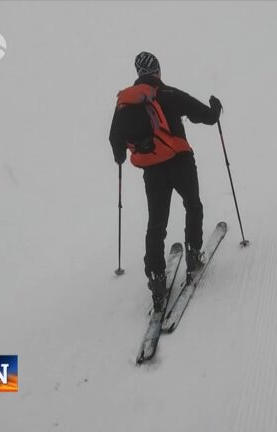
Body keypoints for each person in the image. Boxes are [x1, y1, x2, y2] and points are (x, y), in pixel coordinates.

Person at [108, 51, 222, 311]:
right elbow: (207, 116)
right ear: (158, 70)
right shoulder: (170, 95)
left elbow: (115, 142)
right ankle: (193, 254)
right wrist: (215, 106)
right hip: (180, 161)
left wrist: (120, 158)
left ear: (138, 74)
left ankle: (157, 278)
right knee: (193, 205)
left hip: (152, 170)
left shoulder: (126, 104)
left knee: (156, 223)